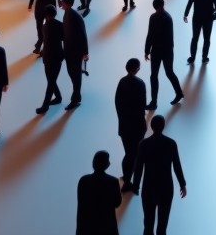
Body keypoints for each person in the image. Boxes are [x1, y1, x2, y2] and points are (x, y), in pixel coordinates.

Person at [131, 115, 187, 232]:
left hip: (149, 187)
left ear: (151, 126)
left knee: (148, 223)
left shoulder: (144, 144)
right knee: (162, 224)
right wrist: (182, 184)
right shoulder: (171, 144)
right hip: (166, 188)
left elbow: (139, 168)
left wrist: (136, 186)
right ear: (163, 126)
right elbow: (177, 165)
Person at [114, 59, 148, 194]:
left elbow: (116, 102)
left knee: (129, 153)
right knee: (134, 154)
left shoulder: (122, 82)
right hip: (137, 127)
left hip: (124, 125)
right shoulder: (140, 84)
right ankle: (128, 181)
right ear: (137, 69)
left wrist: (121, 118)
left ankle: (126, 176)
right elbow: (142, 105)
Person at [144, 0, 184, 109]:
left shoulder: (154, 17)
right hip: (167, 51)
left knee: (154, 76)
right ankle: (178, 93)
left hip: (157, 50)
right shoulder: (168, 17)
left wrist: (147, 51)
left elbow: (150, 35)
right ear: (163, 5)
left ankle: (154, 102)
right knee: (168, 72)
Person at [76, 149, 122, 235]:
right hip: (107, 225)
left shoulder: (84, 180)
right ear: (106, 164)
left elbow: (81, 207)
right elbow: (117, 203)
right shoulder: (113, 181)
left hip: (88, 226)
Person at [183, 0, 216, 64]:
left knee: (195, 38)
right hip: (208, 18)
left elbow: (189, 3)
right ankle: (204, 57)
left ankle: (192, 57)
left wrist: (186, 14)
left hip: (197, 18)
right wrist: (215, 12)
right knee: (207, 39)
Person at [35, 5, 64, 114]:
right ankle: (58, 97)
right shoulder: (60, 25)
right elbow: (63, 38)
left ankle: (45, 105)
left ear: (45, 14)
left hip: (47, 57)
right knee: (51, 80)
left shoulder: (44, 26)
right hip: (57, 56)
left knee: (50, 80)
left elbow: (46, 41)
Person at [61, 0, 89, 110]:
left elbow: (83, 34)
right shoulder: (67, 13)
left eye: (62, 2)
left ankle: (75, 99)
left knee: (75, 75)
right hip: (69, 50)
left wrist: (85, 52)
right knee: (72, 73)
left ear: (66, 4)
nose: (61, 4)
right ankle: (77, 95)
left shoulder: (75, 16)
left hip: (75, 51)